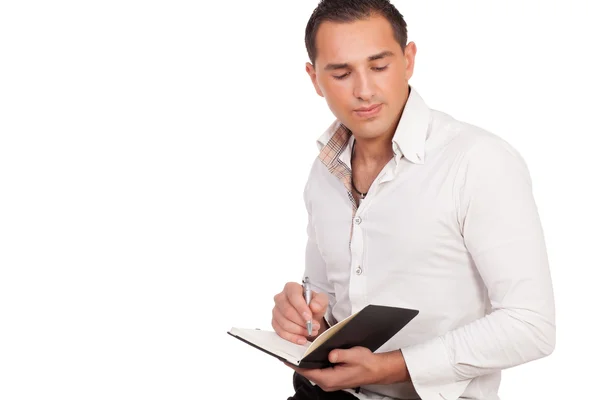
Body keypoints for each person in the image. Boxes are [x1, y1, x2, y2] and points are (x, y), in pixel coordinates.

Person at [271, 1, 556, 399]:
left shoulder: (478, 161)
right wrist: (304, 321)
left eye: (379, 65)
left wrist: (391, 367)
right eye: (340, 73)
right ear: (314, 79)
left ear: (408, 60)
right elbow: (326, 302)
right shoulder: (324, 172)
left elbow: (531, 325)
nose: (364, 90)